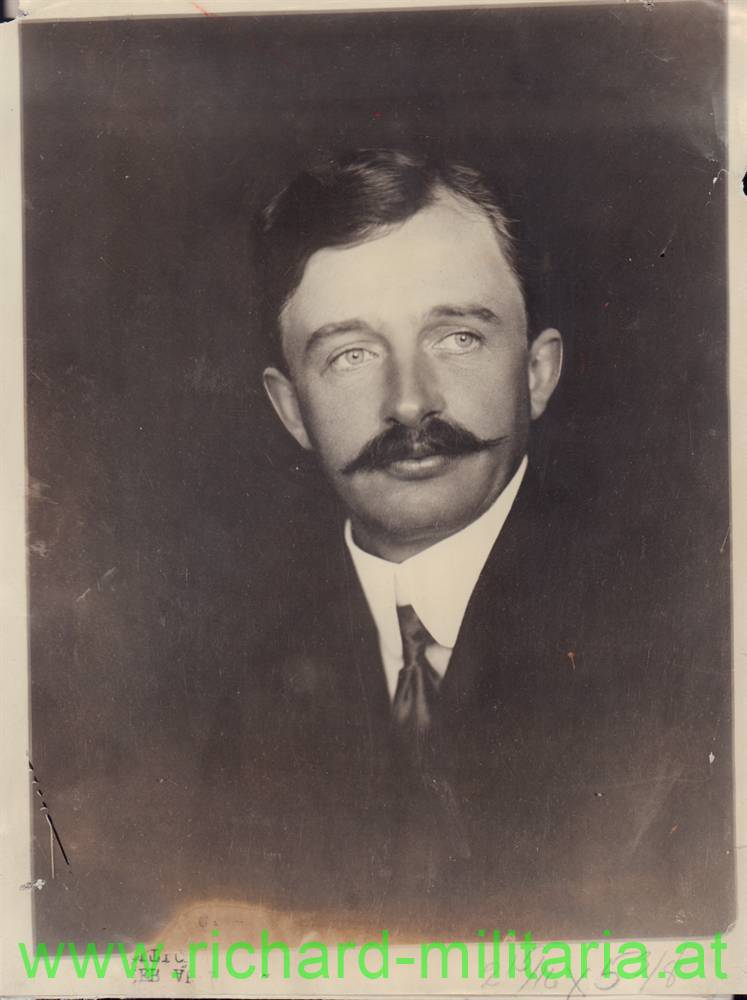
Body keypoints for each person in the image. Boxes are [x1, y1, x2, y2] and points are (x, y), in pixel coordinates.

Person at [215, 149, 732, 939]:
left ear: (536, 372)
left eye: (456, 337)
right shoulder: (242, 704)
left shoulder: (692, 649)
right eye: (350, 354)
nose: (408, 402)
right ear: (291, 410)